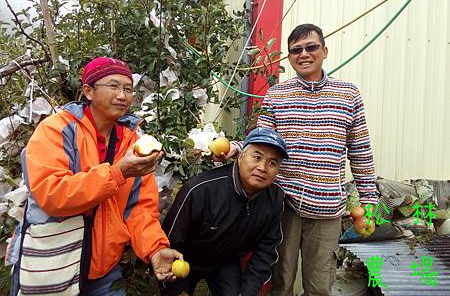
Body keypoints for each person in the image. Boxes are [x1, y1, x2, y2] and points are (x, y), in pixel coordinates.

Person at [221, 24, 379, 296]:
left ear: (324, 51)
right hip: (284, 206)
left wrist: (370, 202)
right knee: (280, 282)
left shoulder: (348, 94)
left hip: (328, 208)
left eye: (311, 47)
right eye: (296, 50)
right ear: (290, 57)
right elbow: (261, 140)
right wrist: (235, 149)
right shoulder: (277, 95)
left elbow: (360, 152)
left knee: (319, 286)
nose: (303, 54)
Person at [7, 57, 182, 295]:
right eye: (113, 86)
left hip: (104, 274)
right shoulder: (56, 130)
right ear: (88, 91)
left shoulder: (133, 144)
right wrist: (119, 172)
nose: (122, 95)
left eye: (128, 89)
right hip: (54, 264)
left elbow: (139, 208)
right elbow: (53, 194)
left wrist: (155, 249)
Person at [159, 127, 289, 296]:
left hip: (225, 261)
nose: (263, 167)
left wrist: (248, 291)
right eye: (257, 157)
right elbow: (169, 241)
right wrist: (174, 290)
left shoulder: (275, 198)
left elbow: (266, 251)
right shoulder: (200, 189)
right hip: (185, 258)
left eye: (272, 163)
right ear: (240, 158)